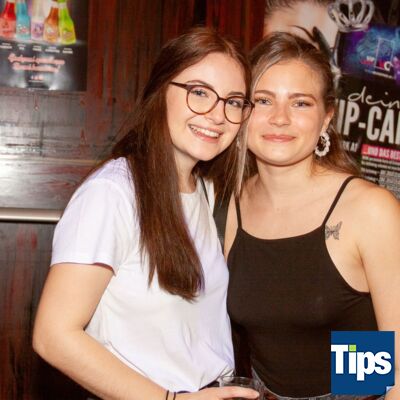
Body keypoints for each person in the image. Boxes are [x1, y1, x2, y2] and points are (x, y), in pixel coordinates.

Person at [32, 27, 259, 400]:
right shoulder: (113, 192)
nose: (217, 115)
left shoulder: (205, 192)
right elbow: (53, 336)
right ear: (160, 91)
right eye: (199, 92)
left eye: (233, 101)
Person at [224, 32, 400, 400]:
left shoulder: (368, 208)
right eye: (263, 100)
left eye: (301, 103)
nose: (280, 118)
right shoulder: (229, 205)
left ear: (326, 119)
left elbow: (397, 365)